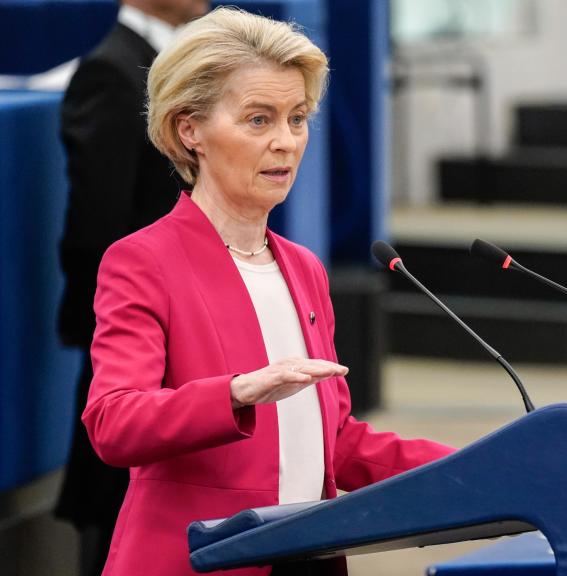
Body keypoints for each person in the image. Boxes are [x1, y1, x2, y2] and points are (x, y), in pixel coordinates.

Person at [81, 8, 455, 575]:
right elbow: (113, 421)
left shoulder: (303, 268)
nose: (286, 142)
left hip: (308, 556)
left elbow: (337, 444)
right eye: (259, 121)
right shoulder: (142, 262)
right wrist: (234, 393)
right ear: (190, 130)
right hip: (201, 561)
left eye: (297, 118)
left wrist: (476, 466)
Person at [55, 2, 208, 574]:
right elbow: (97, 224)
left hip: (183, 335)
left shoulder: (177, 65)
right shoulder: (113, 71)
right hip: (136, 336)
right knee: (116, 514)